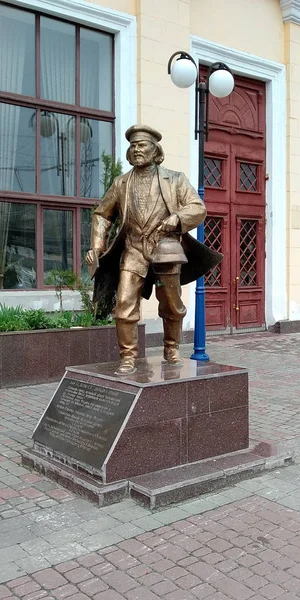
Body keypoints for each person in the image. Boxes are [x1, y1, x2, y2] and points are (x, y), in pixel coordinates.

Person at [86, 125, 222, 375]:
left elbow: (197, 208)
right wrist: (97, 245)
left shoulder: (176, 179)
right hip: (134, 250)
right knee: (124, 302)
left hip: (166, 249)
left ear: (155, 150)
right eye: (133, 146)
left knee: (172, 304)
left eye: (142, 145)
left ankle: (171, 349)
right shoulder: (121, 183)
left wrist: (177, 218)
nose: (136, 150)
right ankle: (128, 356)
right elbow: (102, 214)